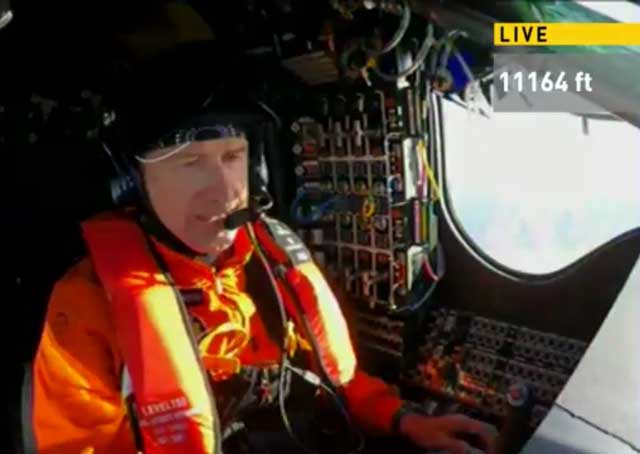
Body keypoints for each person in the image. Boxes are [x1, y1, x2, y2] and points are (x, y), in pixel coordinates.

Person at [23, 42, 498, 454]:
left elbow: (342, 384)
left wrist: (405, 420)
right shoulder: (87, 307)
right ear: (133, 183)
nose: (224, 191)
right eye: (189, 162)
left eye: (233, 157)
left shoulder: (275, 258)